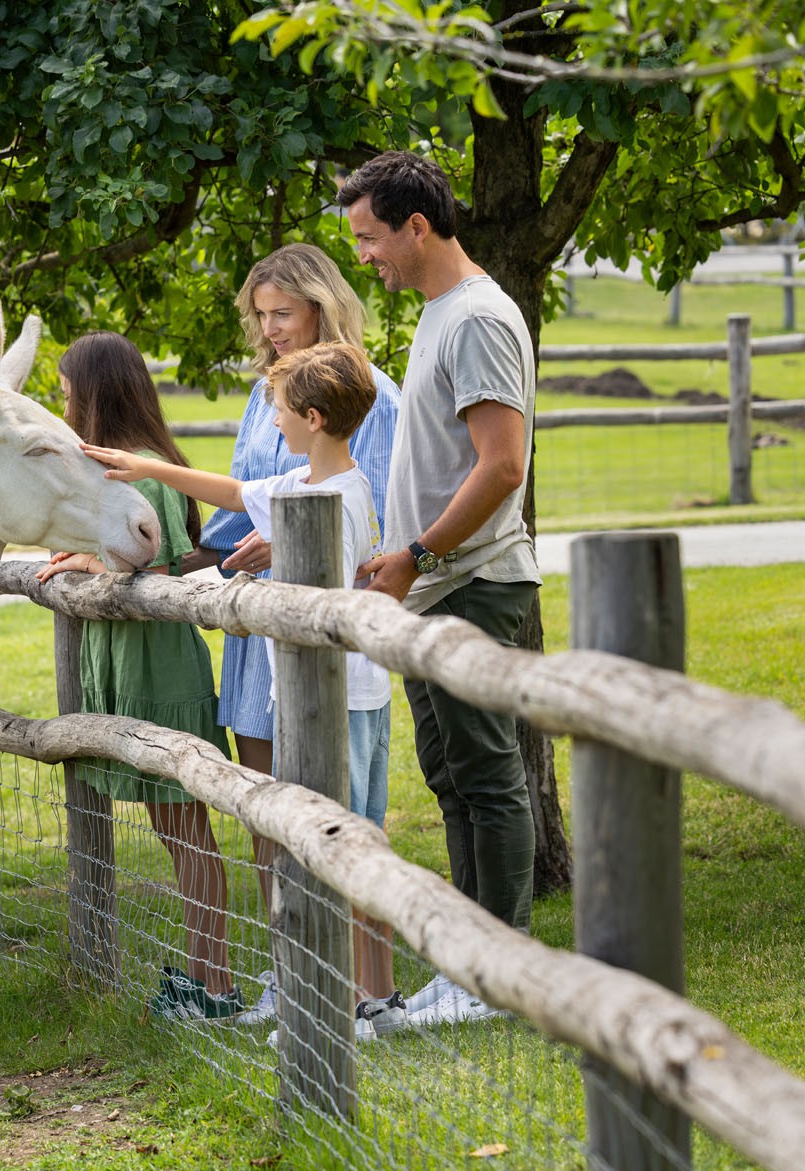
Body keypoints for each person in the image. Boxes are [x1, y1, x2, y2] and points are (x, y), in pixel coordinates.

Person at [84, 342, 406, 1036]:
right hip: (330, 694)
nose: (275, 423)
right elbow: (233, 495)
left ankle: (346, 998)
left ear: (314, 418)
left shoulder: (334, 498)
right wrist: (146, 466)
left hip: (337, 698)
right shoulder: (307, 483)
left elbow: (324, 578)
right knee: (336, 836)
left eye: (282, 412)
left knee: (333, 840)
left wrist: (261, 577)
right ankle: (364, 993)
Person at [341, 150, 539, 1028]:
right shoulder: (437, 315)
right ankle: (467, 969)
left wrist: (416, 554)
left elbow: (503, 467)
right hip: (433, 587)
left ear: (417, 226)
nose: (363, 257)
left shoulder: (476, 320)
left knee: (486, 777)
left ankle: (498, 978)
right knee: (454, 776)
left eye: (370, 237)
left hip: (469, 584)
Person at [196, 243, 403, 1025]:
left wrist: (288, 540)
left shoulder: (368, 391)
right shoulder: (266, 394)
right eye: (261, 315)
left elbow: (366, 505)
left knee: (347, 810)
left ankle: (370, 987)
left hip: (321, 615)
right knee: (267, 811)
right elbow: (252, 490)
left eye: (283, 312)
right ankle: (294, 975)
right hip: (259, 626)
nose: (272, 328)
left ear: (321, 303)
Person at [36, 332, 238, 1020]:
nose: (61, 404)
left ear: (94, 395)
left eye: (67, 393)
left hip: (158, 664)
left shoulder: (143, 471)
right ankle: (204, 972)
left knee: (185, 828)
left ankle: (217, 986)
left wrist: (86, 565)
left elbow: (153, 566)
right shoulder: (112, 472)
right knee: (171, 826)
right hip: (128, 660)